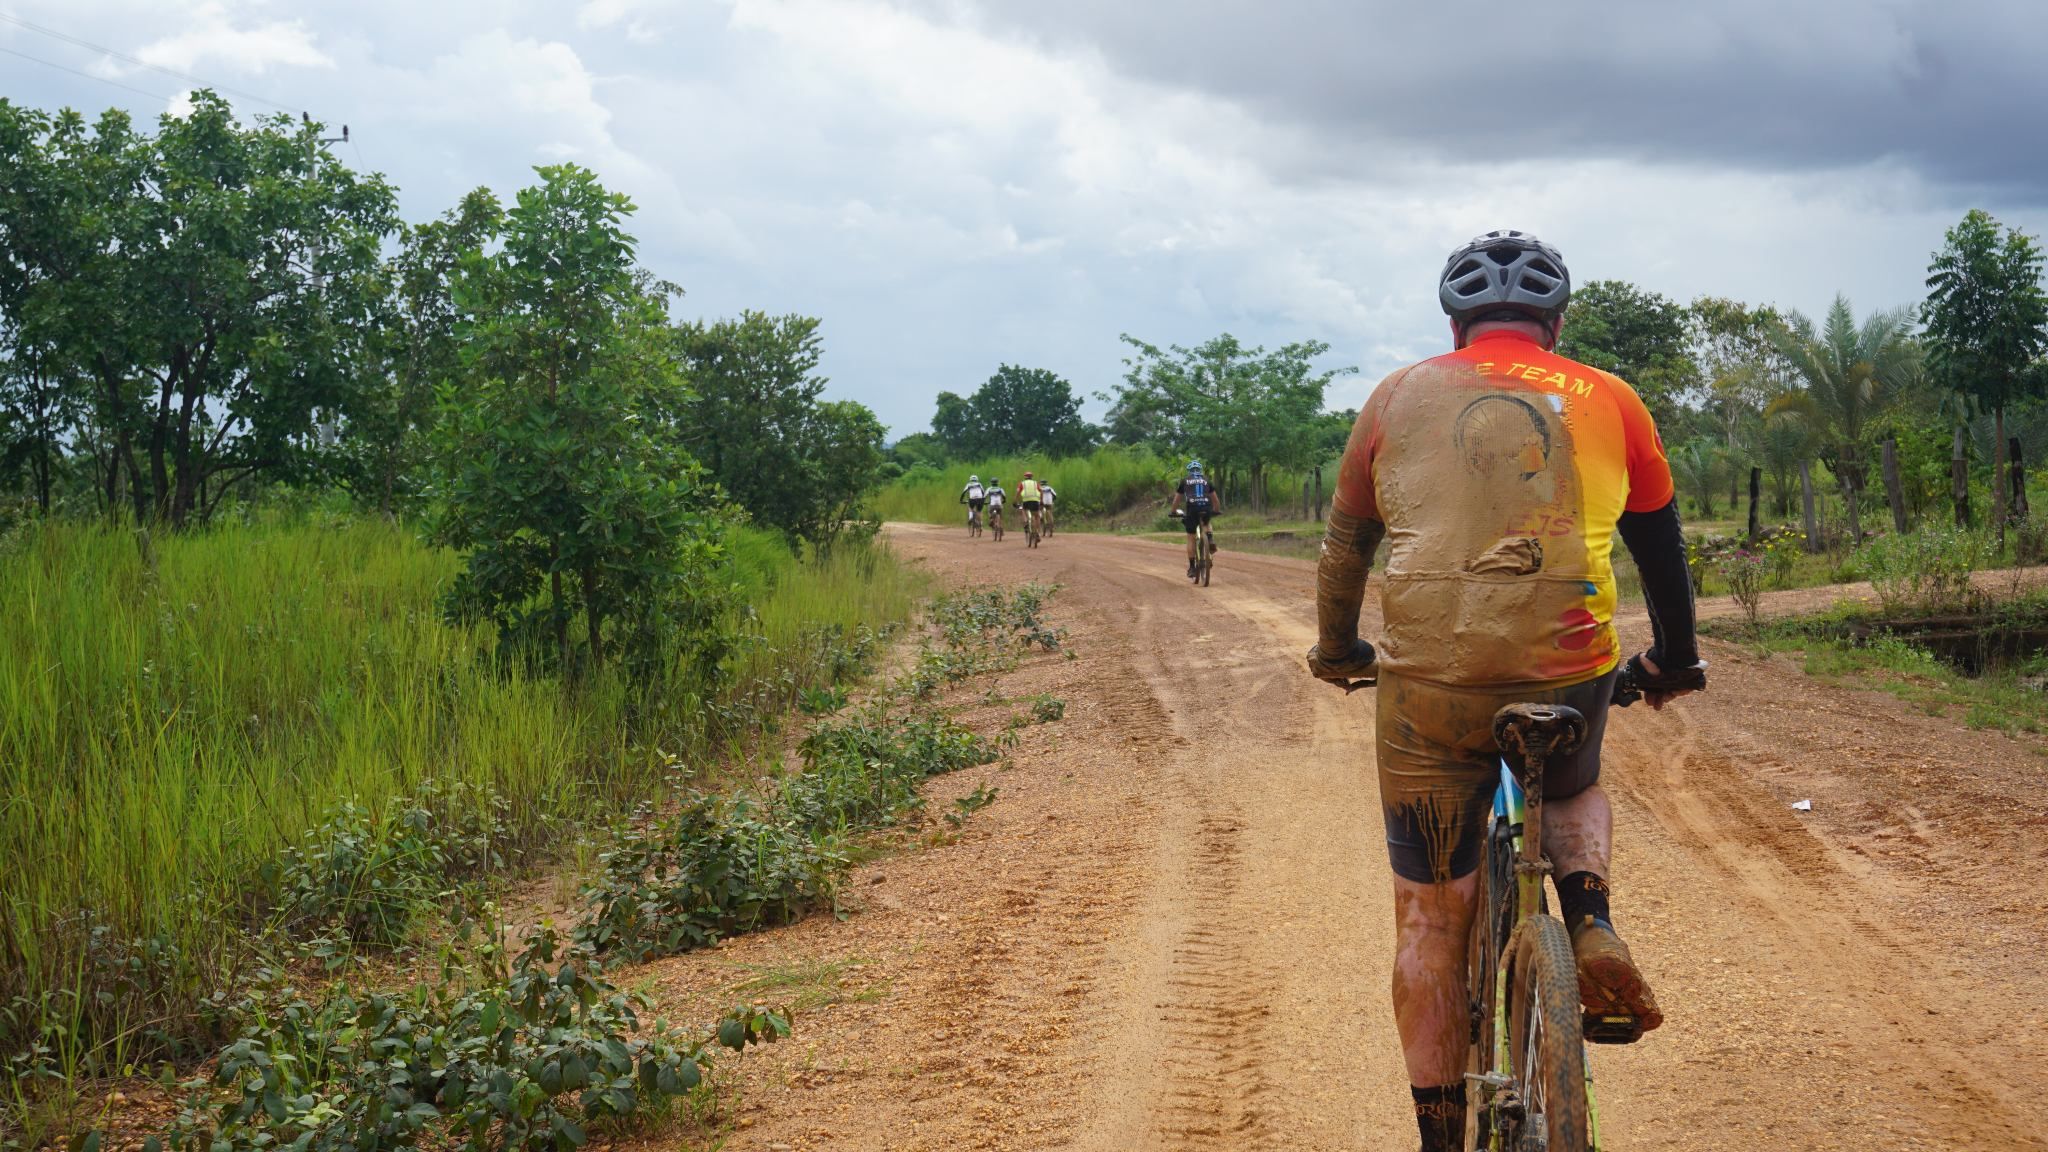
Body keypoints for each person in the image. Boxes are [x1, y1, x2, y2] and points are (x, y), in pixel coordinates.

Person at [1305, 230, 1706, 1152]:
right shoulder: (1613, 399)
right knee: (1571, 779)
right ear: (1555, 325)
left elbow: (1344, 551)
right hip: (1567, 670)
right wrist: (1674, 662)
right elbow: (1661, 554)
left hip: (1429, 686)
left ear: (1454, 326)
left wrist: (1337, 649)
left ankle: (1442, 1138)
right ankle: (1591, 917)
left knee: (1428, 921)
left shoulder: (1395, 397)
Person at [1170, 460, 1220, 579]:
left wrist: (1173, 512)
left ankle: (1192, 567)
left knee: (1191, 537)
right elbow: (1215, 500)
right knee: (1207, 521)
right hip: (1206, 506)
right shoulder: (1207, 480)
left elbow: (1176, 500)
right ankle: (1210, 538)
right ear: (1200, 471)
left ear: (1190, 471)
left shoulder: (1185, 481)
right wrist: (1216, 510)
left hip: (1192, 508)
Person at [1017, 472, 1044, 539]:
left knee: (1023, 509)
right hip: (1035, 501)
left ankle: (1026, 521)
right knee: (1037, 516)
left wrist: (1015, 500)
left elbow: (1018, 492)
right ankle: (1037, 532)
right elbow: (1041, 491)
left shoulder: (1022, 483)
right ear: (1032, 477)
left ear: (1025, 477)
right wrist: (1041, 500)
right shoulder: (1035, 483)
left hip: (1026, 501)